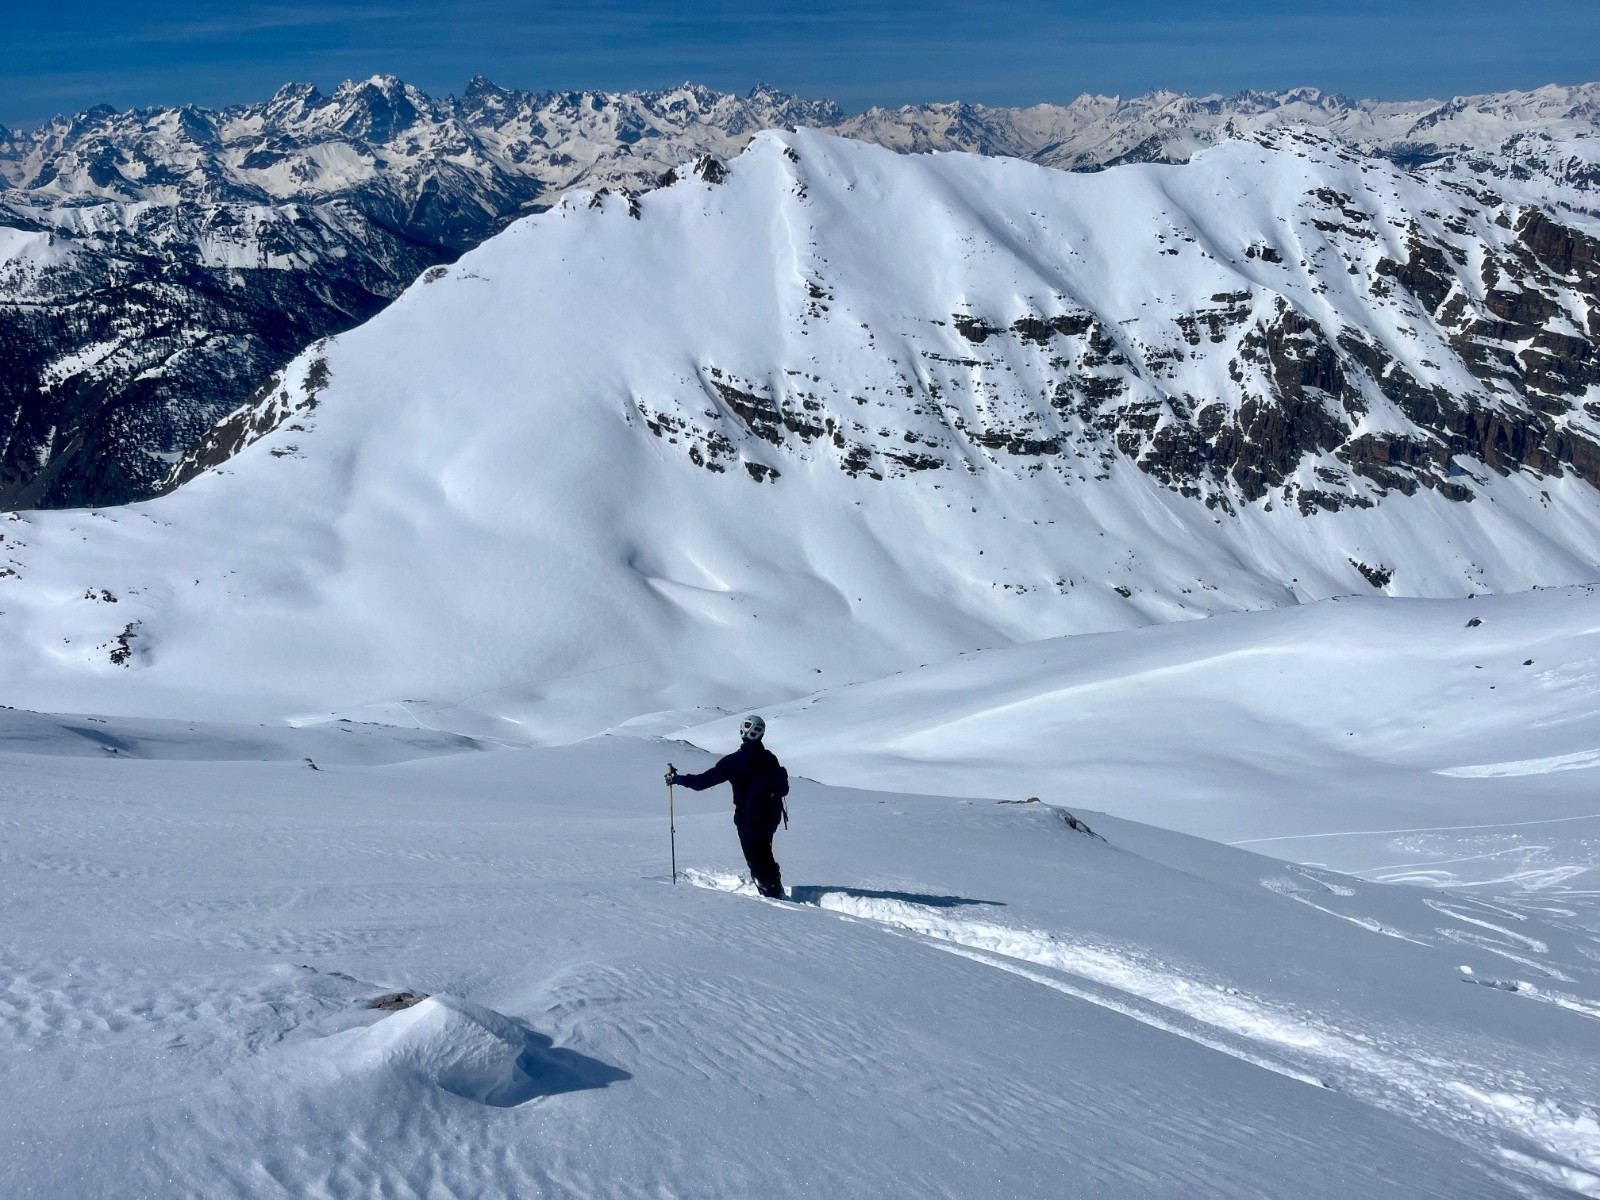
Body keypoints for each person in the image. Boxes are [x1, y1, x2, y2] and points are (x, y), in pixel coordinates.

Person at [668, 715, 789, 898]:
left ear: (742, 732)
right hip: (770, 818)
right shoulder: (770, 758)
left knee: (756, 861)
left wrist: (678, 779)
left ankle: (772, 897)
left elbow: (702, 782)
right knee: (765, 853)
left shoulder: (733, 762)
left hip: (748, 820)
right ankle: (774, 886)